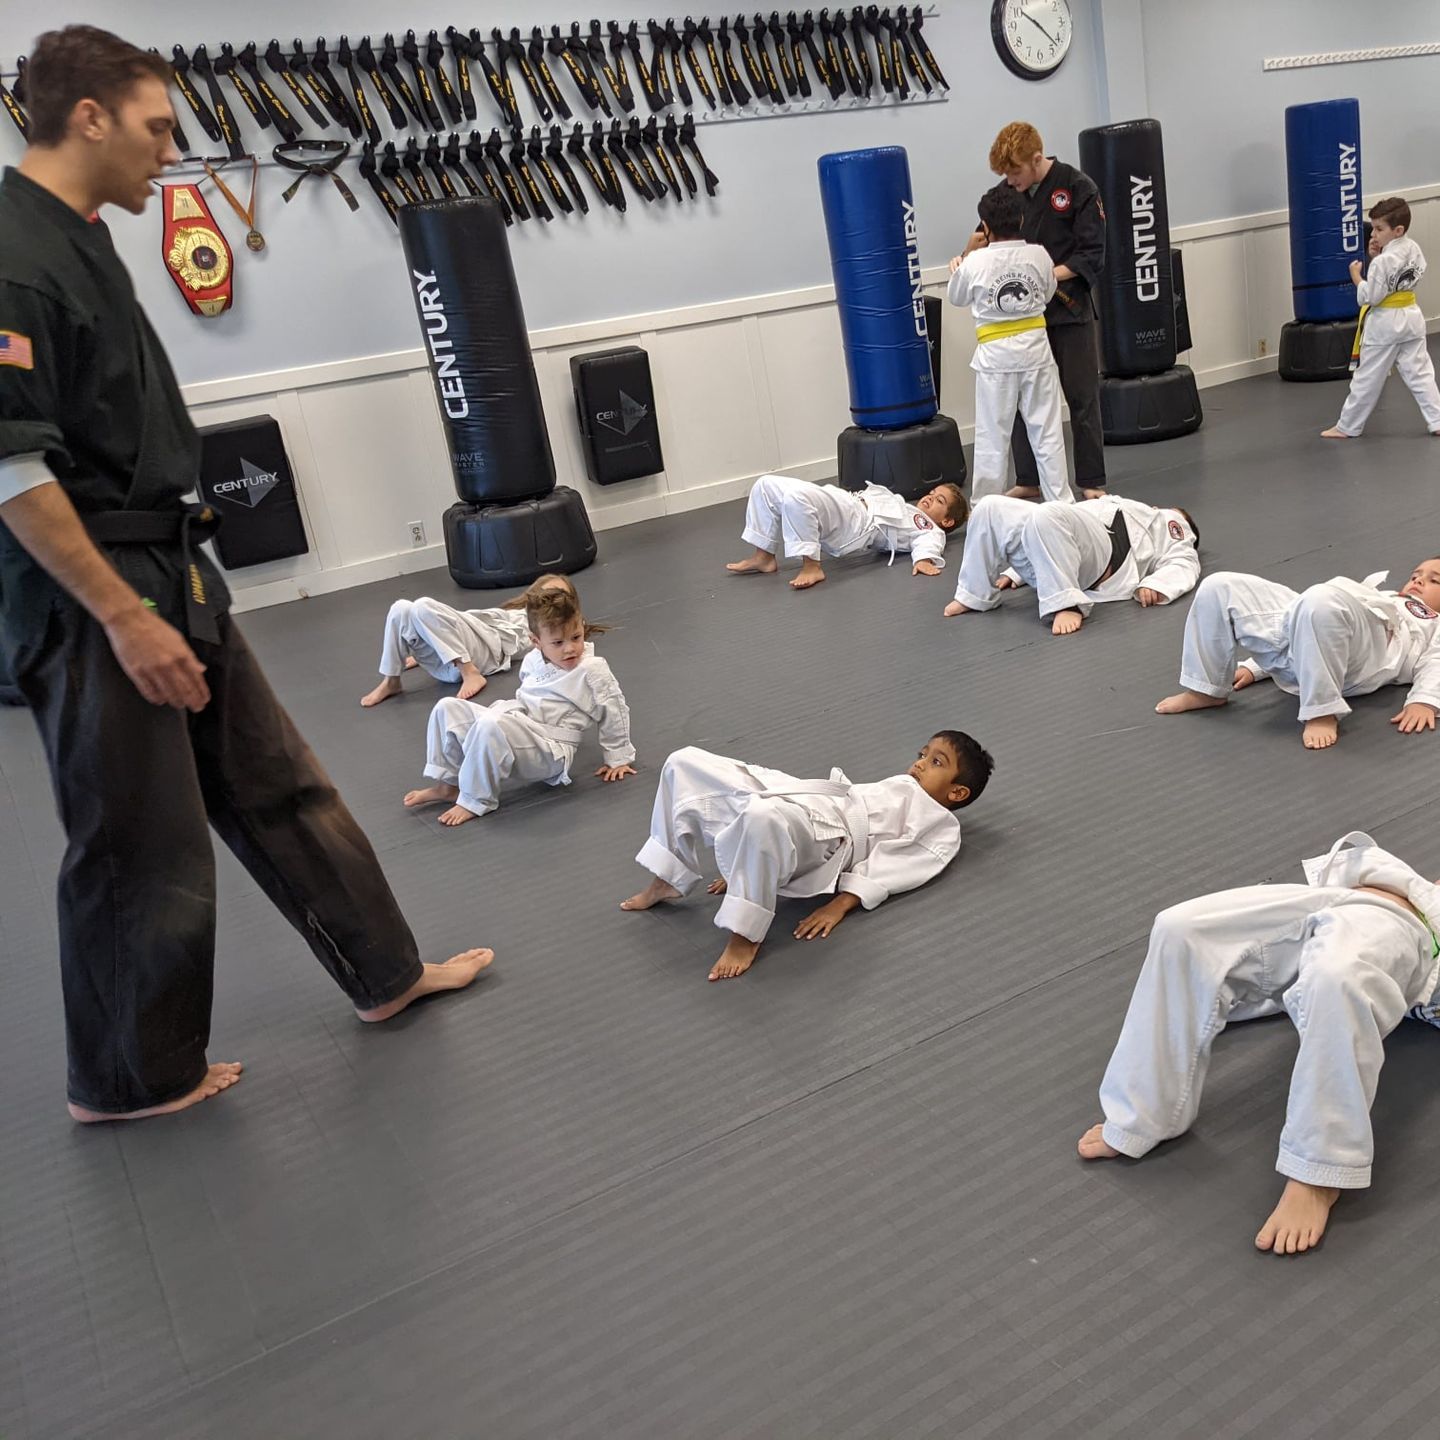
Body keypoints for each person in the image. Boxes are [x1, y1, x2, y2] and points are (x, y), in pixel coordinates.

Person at [0, 28, 491, 1122]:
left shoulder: (75, 237)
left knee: (276, 779)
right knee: (137, 834)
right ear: (88, 117)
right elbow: (12, 465)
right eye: (155, 125)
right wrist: (122, 617)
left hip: (167, 561)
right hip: (93, 590)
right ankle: (129, 1080)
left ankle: (385, 973)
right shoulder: (11, 251)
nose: (170, 153)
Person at [1079, 831, 1440, 1255]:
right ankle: (1144, 1115)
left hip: (1412, 933)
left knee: (1338, 978)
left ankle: (1318, 1172)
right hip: (1355, 890)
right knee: (1180, 928)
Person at [619, 731, 993, 981]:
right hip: (808, 796)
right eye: (923, 754)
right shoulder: (904, 786)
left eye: (936, 762)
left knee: (760, 818)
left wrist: (841, 904)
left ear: (957, 794)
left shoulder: (941, 824)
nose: (920, 763)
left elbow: (896, 866)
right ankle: (669, 876)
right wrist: (743, 861)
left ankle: (746, 934)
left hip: (835, 835)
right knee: (683, 761)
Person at [404, 583, 635, 825]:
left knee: (490, 725)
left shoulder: (592, 668)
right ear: (536, 641)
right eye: (557, 643)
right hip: (524, 728)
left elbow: (614, 708)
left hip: (551, 750)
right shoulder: (533, 660)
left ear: (582, 628)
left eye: (575, 637)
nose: (569, 648)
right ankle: (448, 785)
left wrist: (618, 757)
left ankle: (475, 800)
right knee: (447, 708)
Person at [963, 121, 1107, 499]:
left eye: (1015, 172)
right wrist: (967, 254)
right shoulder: (1005, 193)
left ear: (1036, 159)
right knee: (1019, 402)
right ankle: (1028, 479)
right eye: (1005, 175)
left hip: (1068, 307)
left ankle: (1091, 481)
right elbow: (985, 237)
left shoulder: (1078, 188)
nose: (1010, 181)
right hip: (1021, 320)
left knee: (1082, 395)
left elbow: (1091, 253)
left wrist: (1041, 277)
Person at [1155, 561, 1440, 750]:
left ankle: (1322, 709)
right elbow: (1307, 625)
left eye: (1434, 580)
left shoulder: (1433, 621)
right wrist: (1255, 668)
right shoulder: (1386, 595)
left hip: (1363, 658)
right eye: (1416, 575)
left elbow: (1436, 660)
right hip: (1309, 635)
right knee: (1219, 585)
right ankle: (1207, 688)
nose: (1418, 580)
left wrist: (1425, 701)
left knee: (1320, 600)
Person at [947, 184, 1070, 504]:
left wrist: (965, 255)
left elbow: (956, 296)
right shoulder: (1039, 254)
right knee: (1047, 432)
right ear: (1021, 217)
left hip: (996, 358)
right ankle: (1062, 503)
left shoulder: (975, 262)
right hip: (1036, 351)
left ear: (984, 227)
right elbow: (1045, 293)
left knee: (993, 436)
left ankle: (986, 507)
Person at [944, 492, 1200, 635]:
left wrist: (1157, 584)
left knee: (1047, 513)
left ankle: (1069, 605)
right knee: (989, 507)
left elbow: (1185, 562)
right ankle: (974, 594)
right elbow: (1059, 527)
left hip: (1103, 560)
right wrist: (1016, 573)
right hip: (1059, 552)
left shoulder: (1173, 524)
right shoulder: (1129, 504)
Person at [360, 572, 576, 707]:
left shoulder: (545, 628)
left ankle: (469, 672)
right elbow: (460, 623)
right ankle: (392, 681)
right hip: (449, 659)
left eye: (559, 596)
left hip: (481, 654)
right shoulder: (509, 612)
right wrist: (434, 639)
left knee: (422, 605)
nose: (551, 600)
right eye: (547, 593)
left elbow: (557, 643)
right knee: (401, 608)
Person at [1321, 197, 1440, 441]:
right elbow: (1399, 279)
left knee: (1368, 377)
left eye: (1379, 229)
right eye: (1373, 228)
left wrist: (1357, 276)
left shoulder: (1383, 262)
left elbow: (1371, 297)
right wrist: (1377, 257)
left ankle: (1348, 426)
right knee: (1421, 373)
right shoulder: (1413, 248)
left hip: (1385, 323)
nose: (1373, 234)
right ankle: (1437, 420)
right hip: (1411, 316)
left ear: (1398, 230)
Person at [726, 474, 968, 589]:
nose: (930, 498)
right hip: (848, 502)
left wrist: (924, 560)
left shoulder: (928, 527)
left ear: (946, 521)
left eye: (940, 501)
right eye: (932, 493)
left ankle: (812, 566)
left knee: (795, 498)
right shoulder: (907, 507)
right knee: (765, 484)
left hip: (856, 525)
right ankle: (764, 555)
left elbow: (930, 541)